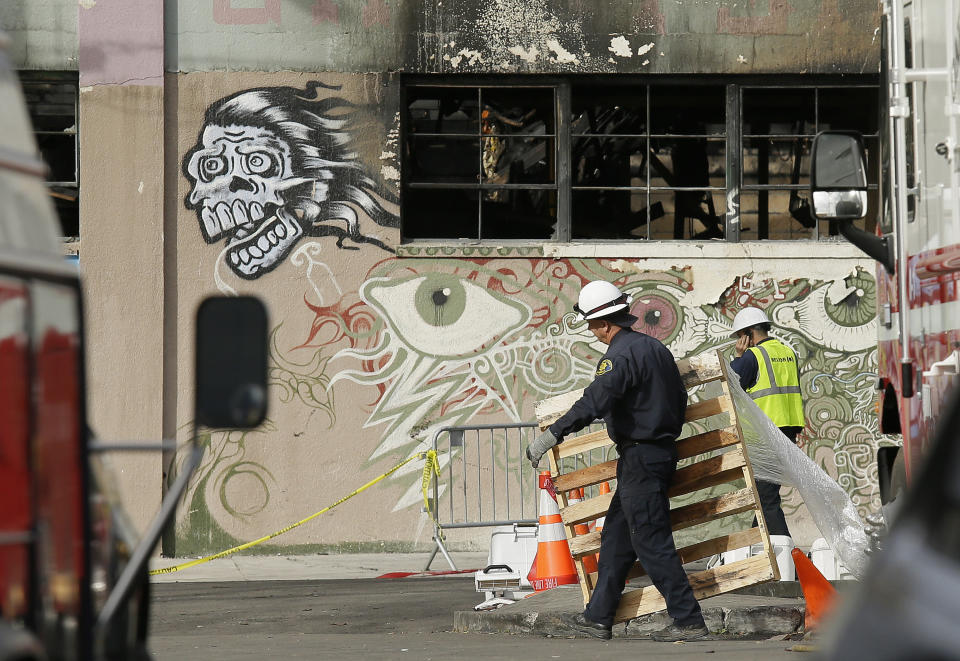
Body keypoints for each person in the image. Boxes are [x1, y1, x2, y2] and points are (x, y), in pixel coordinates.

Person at [525, 280, 708, 642]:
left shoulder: (620, 356)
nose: (592, 332)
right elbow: (679, 397)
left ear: (603, 324)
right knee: (617, 538)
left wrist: (552, 435)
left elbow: (594, 401)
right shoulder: (655, 348)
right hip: (651, 454)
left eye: (592, 325)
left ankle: (689, 620)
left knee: (650, 539)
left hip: (642, 457)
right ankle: (599, 616)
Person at [728, 306, 805, 538]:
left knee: (766, 498)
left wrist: (739, 357)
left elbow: (731, 382)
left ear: (748, 333)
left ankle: (788, 554)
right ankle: (754, 549)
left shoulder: (753, 356)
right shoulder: (788, 352)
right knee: (764, 495)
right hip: (788, 432)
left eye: (740, 336)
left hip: (766, 434)